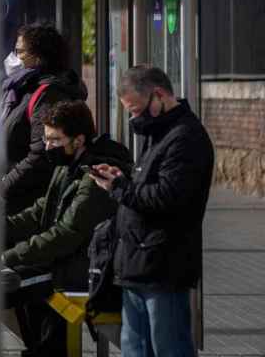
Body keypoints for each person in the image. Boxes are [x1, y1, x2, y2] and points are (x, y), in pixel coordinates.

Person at [89, 65, 214, 357]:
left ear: (158, 95)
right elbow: (148, 187)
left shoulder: (185, 138)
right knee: (137, 347)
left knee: (168, 346)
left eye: (135, 109)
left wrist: (118, 188)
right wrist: (122, 178)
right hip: (138, 262)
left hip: (163, 264)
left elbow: (167, 197)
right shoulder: (158, 133)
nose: (134, 117)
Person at [2, 100, 132, 357]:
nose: (48, 147)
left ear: (79, 140)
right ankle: (43, 348)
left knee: (4, 284)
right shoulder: (67, 167)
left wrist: (9, 256)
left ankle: (46, 350)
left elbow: (67, 233)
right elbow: (40, 211)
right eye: (47, 139)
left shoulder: (95, 175)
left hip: (82, 269)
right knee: (11, 282)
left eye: (55, 140)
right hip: (64, 262)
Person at [1, 23, 87, 216]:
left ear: (38, 57)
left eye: (19, 51)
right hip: (14, 195)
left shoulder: (49, 94)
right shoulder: (23, 88)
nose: (13, 57)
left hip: (26, 202)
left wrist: (2, 187)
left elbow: (40, 155)